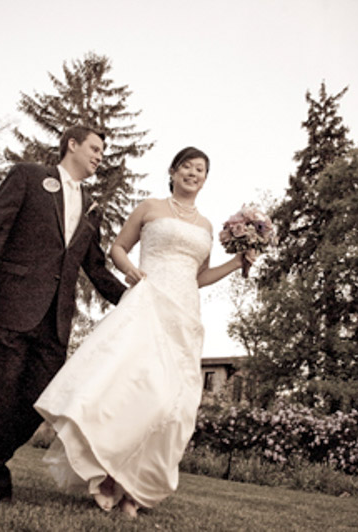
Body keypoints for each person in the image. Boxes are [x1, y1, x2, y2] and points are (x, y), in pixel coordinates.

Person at [33, 146, 255, 516]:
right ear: (172, 171)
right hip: (147, 302)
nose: (193, 173)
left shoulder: (206, 227)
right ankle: (108, 474)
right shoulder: (149, 207)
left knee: (173, 402)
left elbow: (200, 276)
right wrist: (130, 271)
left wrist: (237, 263)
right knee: (133, 387)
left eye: (201, 170)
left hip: (184, 312)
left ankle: (135, 488)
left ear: (205, 179)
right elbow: (119, 248)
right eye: (187, 166)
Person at [0, 125, 128, 502]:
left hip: (54, 321)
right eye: (95, 148)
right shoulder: (28, 176)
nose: (100, 156)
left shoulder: (91, 206)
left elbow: (95, 265)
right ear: (72, 144)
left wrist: (133, 299)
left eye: (102, 151)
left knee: (45, 398)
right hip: (8, 305)